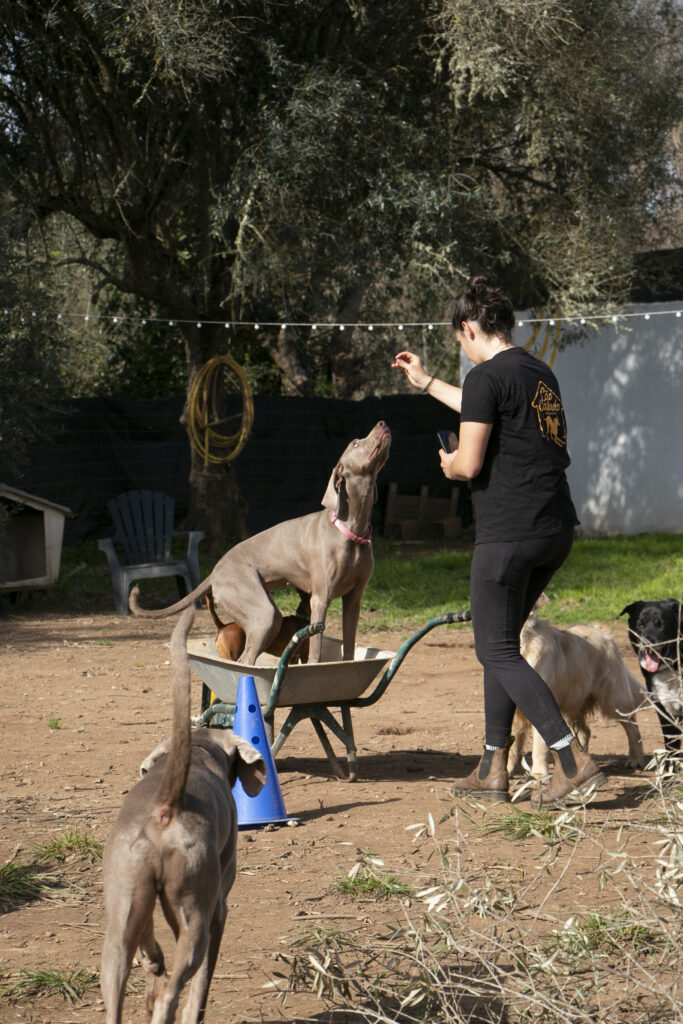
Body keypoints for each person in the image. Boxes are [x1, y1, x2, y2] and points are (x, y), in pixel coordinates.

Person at [392, 274, 606, 808]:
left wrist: (449, 464)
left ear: (468, 327)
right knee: (503, 644)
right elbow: (480, 406)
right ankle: (492, 765)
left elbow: (467, 462)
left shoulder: (488, 376)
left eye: (459, 339)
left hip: (509, 534)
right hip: (555, 528)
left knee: (495, 649)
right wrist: (426, 383)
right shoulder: (537, 373)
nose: (461, 348)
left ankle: (571, 759)